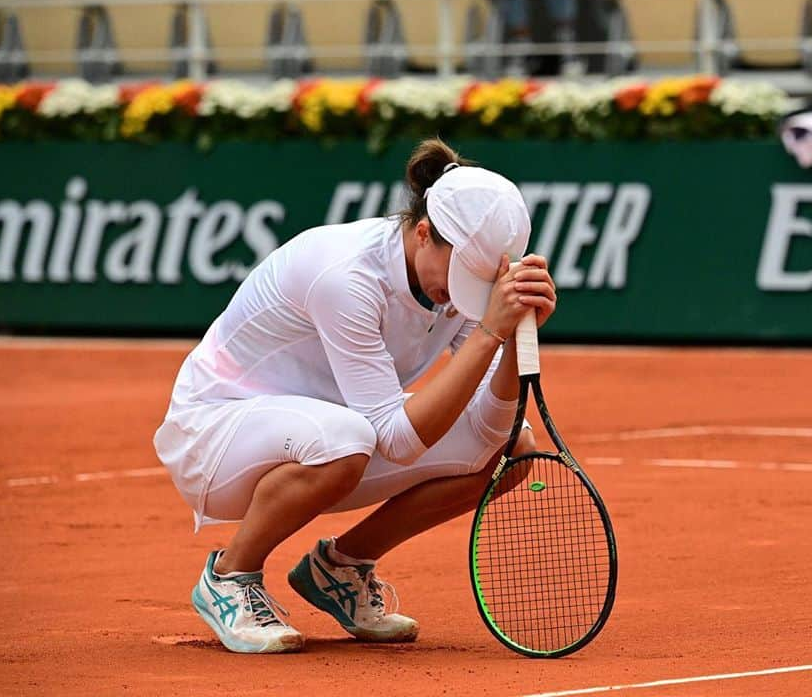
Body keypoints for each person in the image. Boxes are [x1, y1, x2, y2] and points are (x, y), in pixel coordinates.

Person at [153, 138, 557, 654]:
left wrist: (511, 339)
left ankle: (338, 571)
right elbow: (397, 439)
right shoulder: (345, 275)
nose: (462, 296)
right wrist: (489, 334)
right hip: (216, 434)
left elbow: (492, 427)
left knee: (515, 451)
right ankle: (230, 576)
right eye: (459, 277)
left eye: (478, 285)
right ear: (424, 233)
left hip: (331, 436)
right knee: (349, 437)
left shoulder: (450, 281)